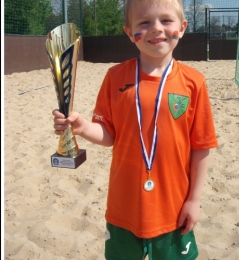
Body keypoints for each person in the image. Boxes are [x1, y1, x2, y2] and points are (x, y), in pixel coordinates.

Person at [52, 0, 218, 259]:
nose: (156, 29)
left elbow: (202, 146)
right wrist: (83, 127)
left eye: (166, 20)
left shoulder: (194, 82)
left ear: (182, 27)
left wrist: (194, 201)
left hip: (173, 208)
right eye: (144, 22)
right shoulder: (115, 76)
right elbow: (109, 136)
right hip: (124, 208)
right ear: (129, 32)